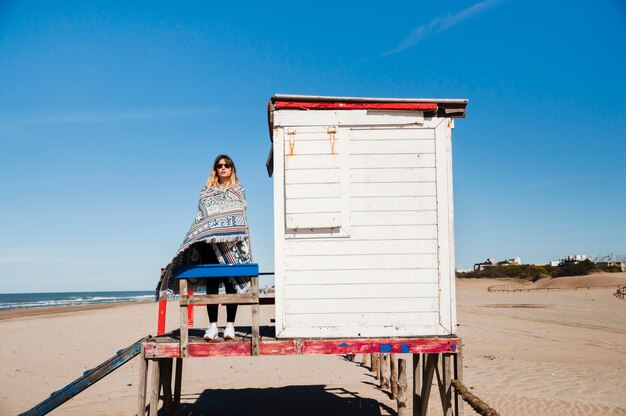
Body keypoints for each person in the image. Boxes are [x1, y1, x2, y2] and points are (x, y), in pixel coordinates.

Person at [157, 154, 253, 341]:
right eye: (219, 165)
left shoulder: (239, 190)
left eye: (227, 165)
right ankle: (212, 327)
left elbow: (239, 213)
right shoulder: (206, 191)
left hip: (232, 245)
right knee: (212, 285)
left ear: (232, 168)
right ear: (215, 169)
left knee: (230, 284)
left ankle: (230, 326)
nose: (223, 168)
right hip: (210, 245)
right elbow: (203, 216)